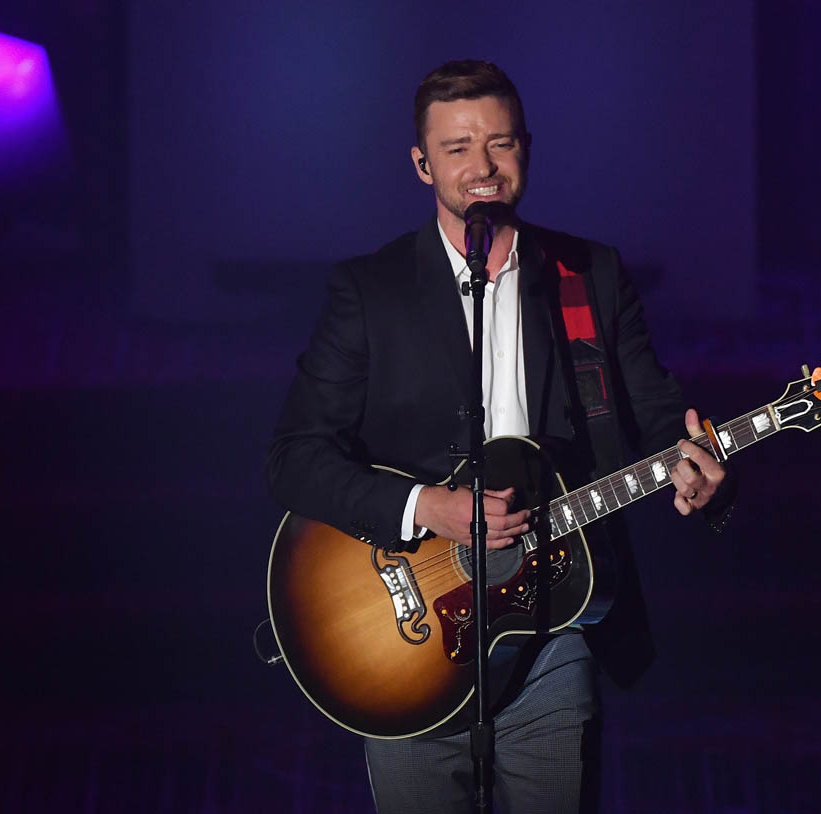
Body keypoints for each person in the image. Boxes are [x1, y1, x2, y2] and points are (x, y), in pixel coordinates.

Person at [268, 59, 733, 814]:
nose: (482, 167)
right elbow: (294, 459)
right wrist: (425, 507)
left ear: (527, 149)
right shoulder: (369, 289)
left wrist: (704, 475)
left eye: (501, 143)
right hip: (406, 637)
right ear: (422, 164)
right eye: (457, 148)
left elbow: (659, 417)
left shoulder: (589, 274)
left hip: (556, 619)